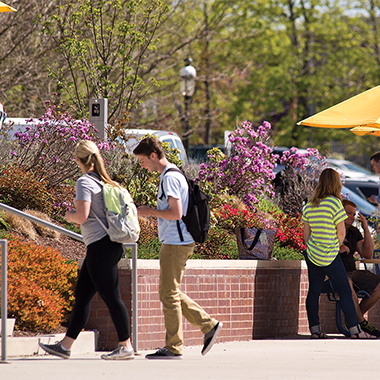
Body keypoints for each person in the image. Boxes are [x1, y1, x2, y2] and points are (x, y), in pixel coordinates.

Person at [39, 140, 134, 360]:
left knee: (112, 297)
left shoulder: (84, 182)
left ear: (78, 160)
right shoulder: (105, 181)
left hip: (101, 248)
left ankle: (126, 346)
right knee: (82, 295)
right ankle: (65, 346)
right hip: (104, 247)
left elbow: (82, 215)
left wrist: (69, 216)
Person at [133, 137, 222, 359]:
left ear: (153, 156)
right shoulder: (174, 174)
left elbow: (176, 213)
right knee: (169, 292)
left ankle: (175, 346)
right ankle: (207, 326)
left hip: (176, 242)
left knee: (168, 294)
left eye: (143, 160)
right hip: (176, 241)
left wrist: (149, 211)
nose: (142, 165)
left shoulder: (170, 178)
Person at [302, 168, 374, 338]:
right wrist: (336, 246)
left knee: (313, 291)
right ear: (336, 184)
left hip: (312, 254)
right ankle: (355, 330)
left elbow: (306, 235)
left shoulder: (310, 205)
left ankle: (315, 329)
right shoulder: (335, 203)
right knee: (345, 291)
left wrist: (314, 248)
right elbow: (341, 233)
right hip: (330, 254)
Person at [339, 199, 380, 336]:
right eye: (348, 213)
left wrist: (366, 228)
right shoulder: (333, 229)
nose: (351, 217)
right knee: (348, 285)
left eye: (353, 214)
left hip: (354, 272)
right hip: (337, 273)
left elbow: (367, 253)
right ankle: (362, 323)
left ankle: (355, 319)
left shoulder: (354, 231)